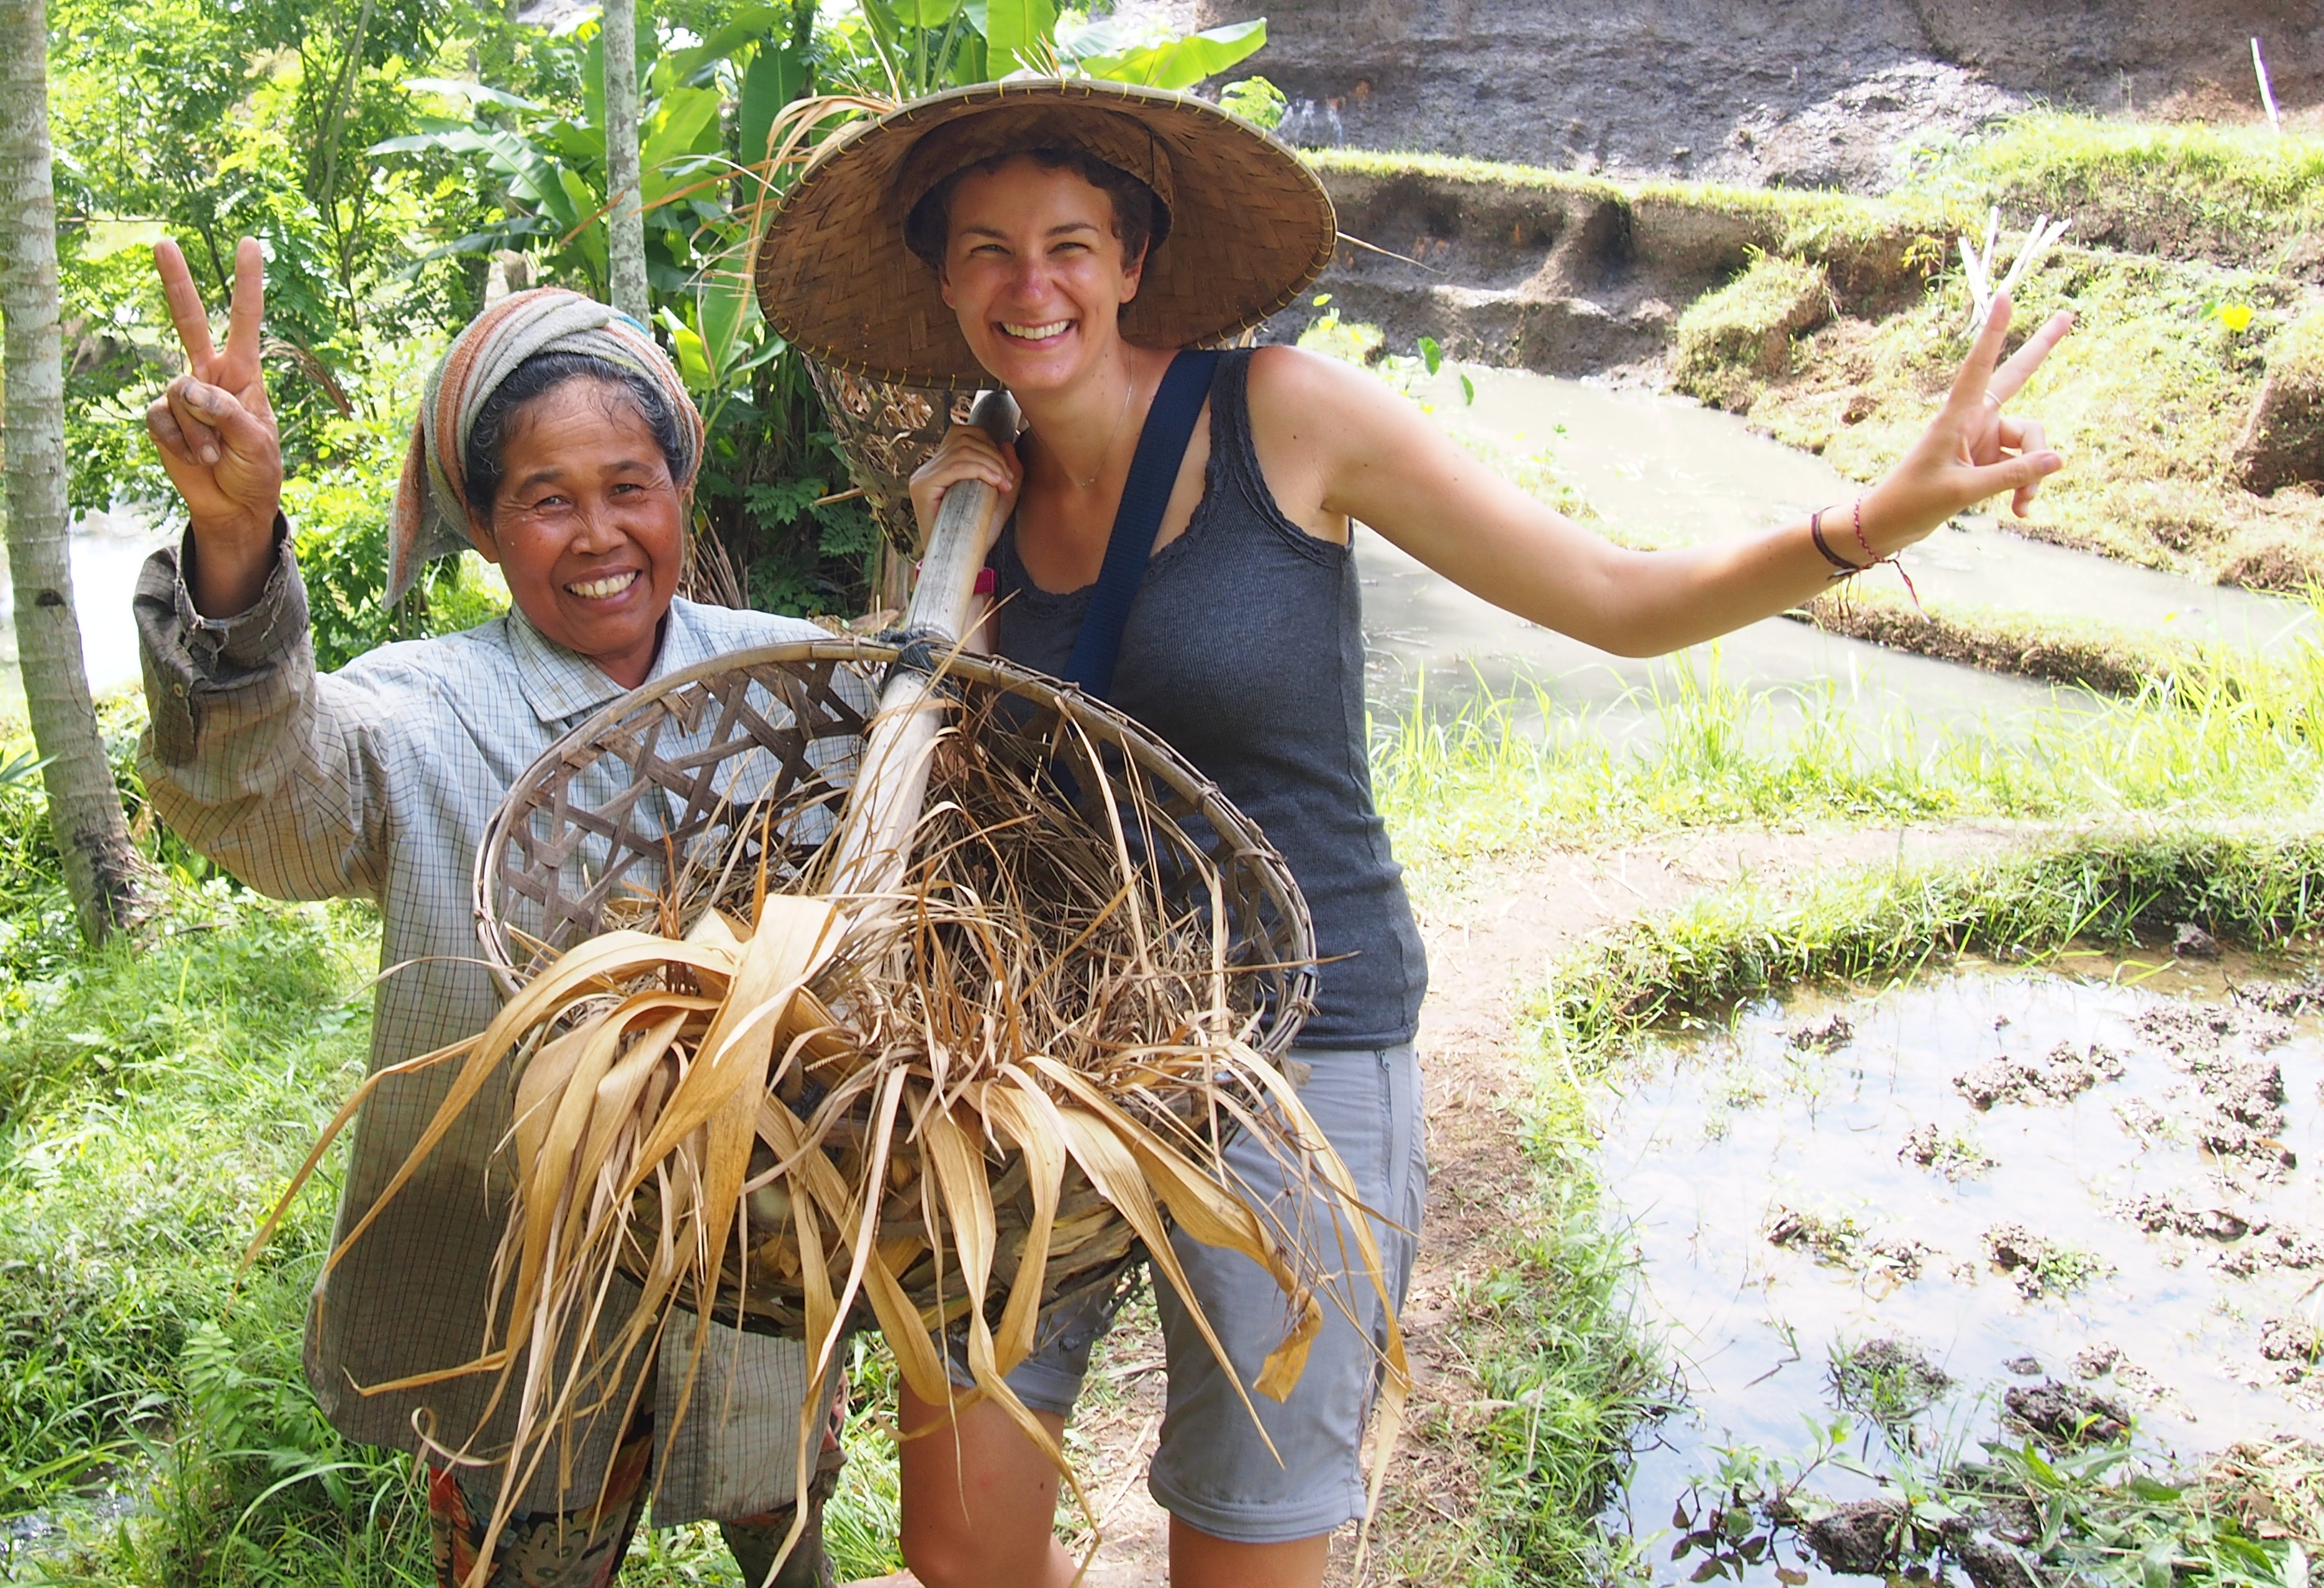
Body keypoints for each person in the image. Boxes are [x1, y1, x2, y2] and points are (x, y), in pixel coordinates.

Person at [751, 81, 2072, 1588]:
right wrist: (944, 563)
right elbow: (971, 792)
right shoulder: (976, 499)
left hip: (1298, 1050)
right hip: (1058, 1061)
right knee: (962, 1543)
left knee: (1248, 1551)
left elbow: (1617, 602)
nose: (1028, 285)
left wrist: (1869, 523)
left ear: (1132, 262)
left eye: (1067, 244)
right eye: (986, 250)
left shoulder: (1285, 418)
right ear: (943, 282)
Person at [132, 240, 850, 1588]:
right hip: (508, 1262)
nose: (598, 536)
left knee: (785, 1503)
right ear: (482, 520)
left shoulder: (784, 687)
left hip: (754, 1231)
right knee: (538, 1542)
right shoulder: (421, 710)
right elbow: (270, 807)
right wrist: (233, 544)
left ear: (679, 490)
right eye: (545, 499)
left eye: (629, 487)